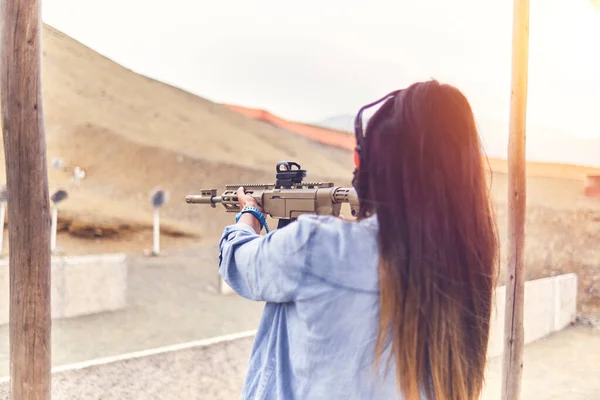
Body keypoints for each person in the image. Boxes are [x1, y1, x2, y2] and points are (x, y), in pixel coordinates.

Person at [218, 80, 499, 400]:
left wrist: (249, 214)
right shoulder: (467, 264)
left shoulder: (319, 246)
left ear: (364, 163)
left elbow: (238, 262)